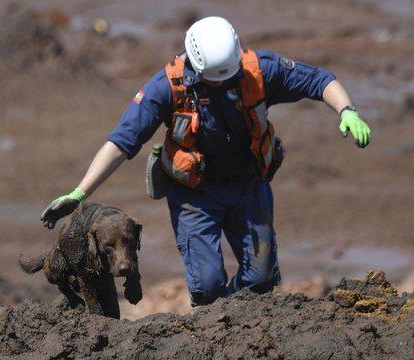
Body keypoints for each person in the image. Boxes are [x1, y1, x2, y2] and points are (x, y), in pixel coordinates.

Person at [40, 17, 371, 307]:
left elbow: (320, 80)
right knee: (208, 286)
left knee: (260, 280)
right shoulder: (165, 87)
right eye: (215, 79)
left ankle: (242, 318)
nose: (223, 83)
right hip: (195, 194)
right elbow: (121, 143)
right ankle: (216, 325)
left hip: (248, 185)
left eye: (228, 76)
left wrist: (347, 110)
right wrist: (79, 193)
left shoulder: (258, 70)